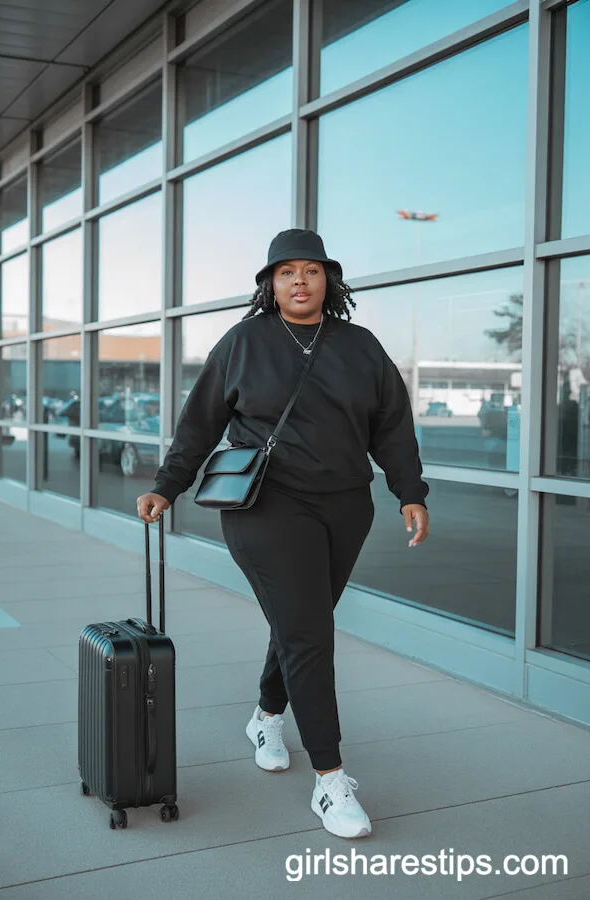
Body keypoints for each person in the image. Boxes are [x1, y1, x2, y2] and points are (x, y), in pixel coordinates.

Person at [136, 228, 430, 839]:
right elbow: (199, 424)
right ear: (270, 283)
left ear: (329, 281)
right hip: (265, 507)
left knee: (303, 624)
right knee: (309, 632)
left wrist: (410, 491)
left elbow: (392, 425)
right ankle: (330, 779)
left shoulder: (360, 345)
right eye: (287, 272)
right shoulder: (244, 341)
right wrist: (167, 485)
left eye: (312, 271)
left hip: (345, 508)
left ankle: (267, 716)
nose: (300, 281)